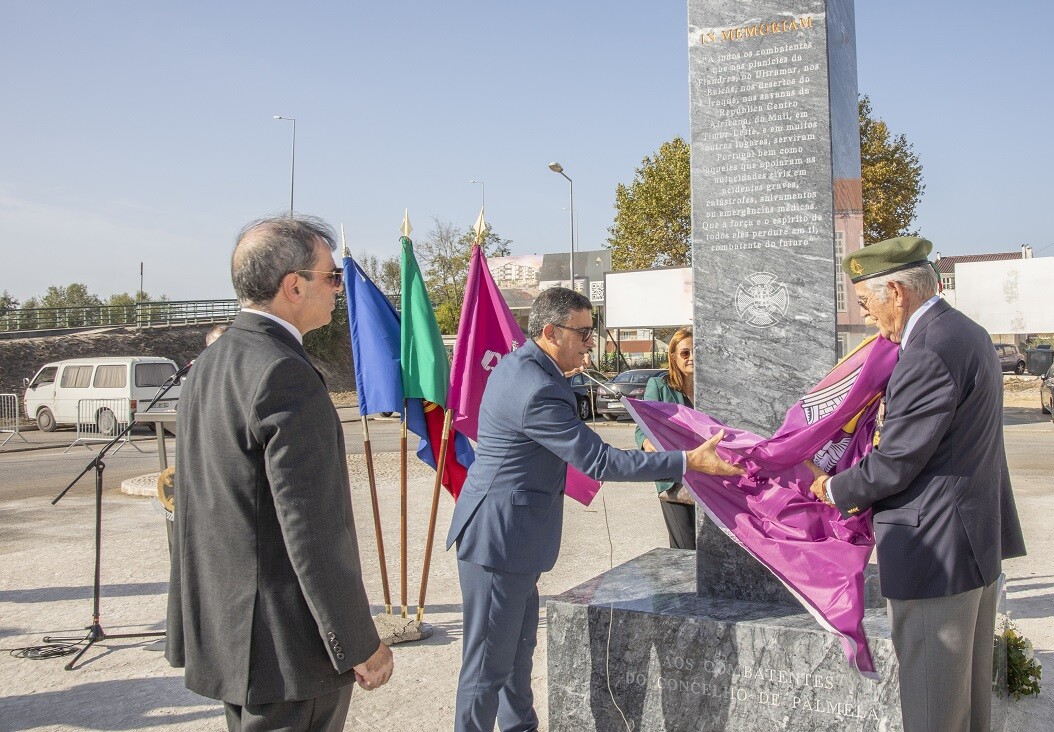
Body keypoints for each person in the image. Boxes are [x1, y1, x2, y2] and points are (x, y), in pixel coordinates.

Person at [446, 287, 742, 732]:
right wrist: (686, 461)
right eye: (584, 333)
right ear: (551, 332)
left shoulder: (530, 367)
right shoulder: (536, 387)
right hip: (498, 540)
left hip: (514, 539)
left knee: (516, 655)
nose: (590, 341)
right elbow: (600, 461)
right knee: (487, 668)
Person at [166, 215, 392, 732]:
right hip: (286, 648)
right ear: (294, 286)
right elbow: (311, 526)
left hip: (232, 633)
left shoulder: (211, 362)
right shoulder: (282, 371)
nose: (339, 289)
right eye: (332, 277)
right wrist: (357, 641)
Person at [809, 235, 1025, 732]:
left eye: (865, 301)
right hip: (968, 542)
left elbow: (897, 461)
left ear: (897, 293)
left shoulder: (926, 350)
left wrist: (830, 488)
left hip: (935, 553)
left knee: (933, 710)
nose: (866, 315)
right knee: (965, 704)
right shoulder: (965, 331)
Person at [635, 325, 697, 549]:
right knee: (684, 547)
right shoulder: (659, 385)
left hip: (706, 476)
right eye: (685, 353)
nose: (692, 358)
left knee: (708, 548)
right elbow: (642, 426)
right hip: (673, 477)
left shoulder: (711, 389)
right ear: (673, 356)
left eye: (697, 351)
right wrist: (646, 441)